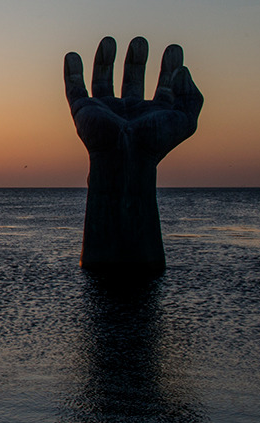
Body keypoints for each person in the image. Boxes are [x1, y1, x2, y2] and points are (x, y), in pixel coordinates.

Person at [64, 36, 203, 274]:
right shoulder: (114, 136)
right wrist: (117, 152)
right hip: (142, 263)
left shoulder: (134, 137)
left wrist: (130, 150)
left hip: (100, 262)